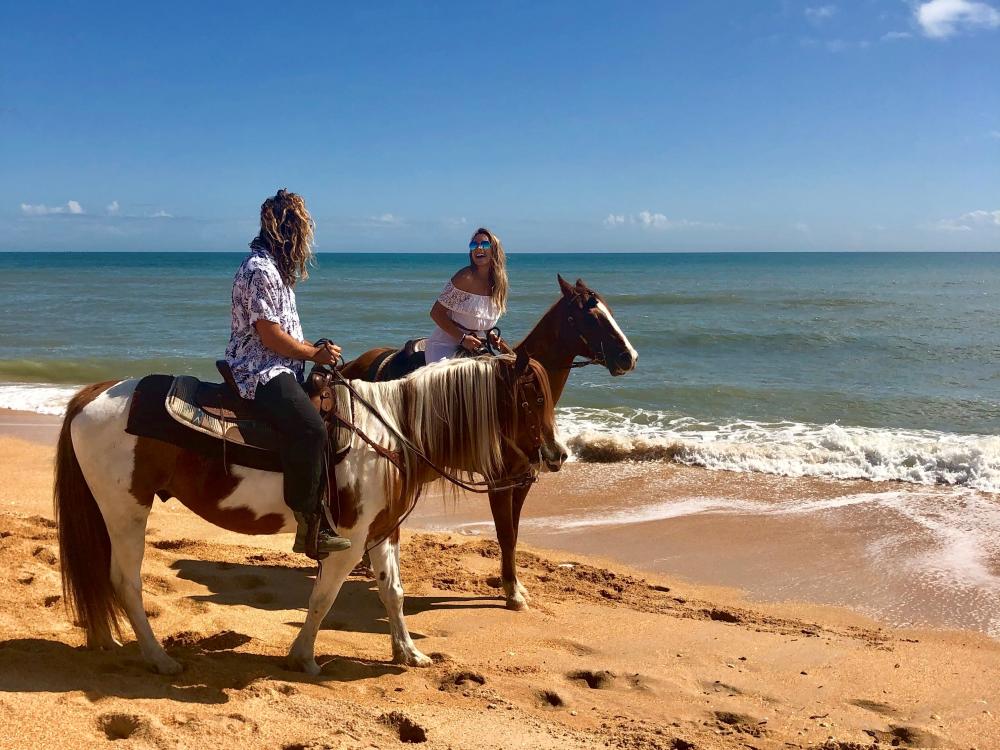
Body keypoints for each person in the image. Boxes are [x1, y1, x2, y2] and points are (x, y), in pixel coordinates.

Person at [224, 189, 351, 558]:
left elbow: (287, 334)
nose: (304, 239)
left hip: (280, 362)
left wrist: (315, 350)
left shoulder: (277, 271)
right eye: (300, 229)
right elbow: (270, 336)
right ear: (284, 230)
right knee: (310, 429)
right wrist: (313, 352)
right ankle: (309, 525)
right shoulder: (260, 270)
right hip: (258, 370)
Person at [426, 227, 509, 364]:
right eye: (474, 245)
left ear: (494, 250)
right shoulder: (464, 277)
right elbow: (436, 313)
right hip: (446, 345)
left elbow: (480, 319)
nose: (478, 248)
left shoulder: (500, 283)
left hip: (477, 346)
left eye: (485, 244)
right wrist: (463, 339)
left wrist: (491, 335)